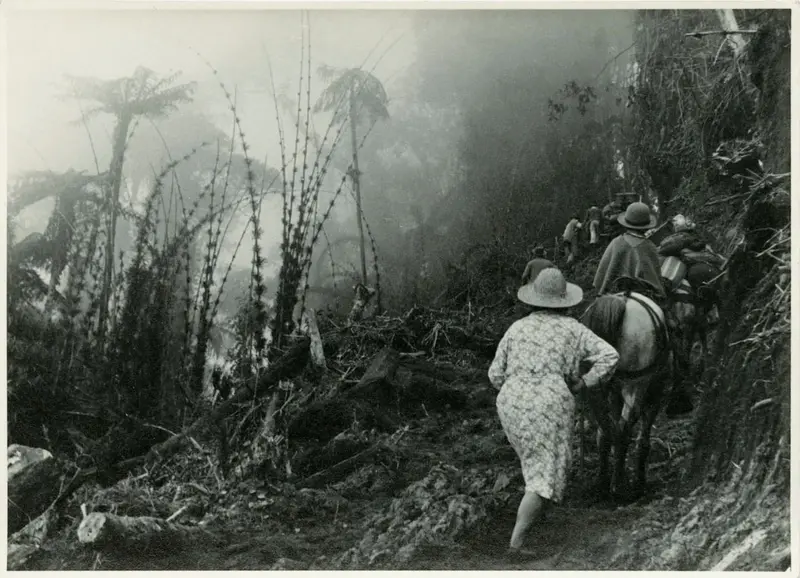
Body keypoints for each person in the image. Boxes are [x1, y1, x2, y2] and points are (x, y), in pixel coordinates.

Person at [488, 268, 619, 557]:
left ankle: (535, 516)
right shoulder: (573, 329)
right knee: (543, 473)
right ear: (565, 301)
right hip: (549, 401)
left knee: (535, 461)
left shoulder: (517, 328)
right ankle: (516, 544)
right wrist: (585, 381)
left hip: (511, 400)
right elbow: (610, 355)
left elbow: (495, 374)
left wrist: (518, 384)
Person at [593, 201, 665, 301]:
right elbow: (655, 278)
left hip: (613, 293)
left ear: (625, 224)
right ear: (646, 226)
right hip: (645, 295)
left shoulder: (616, 243)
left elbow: (603, 273)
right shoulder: (650, 247)